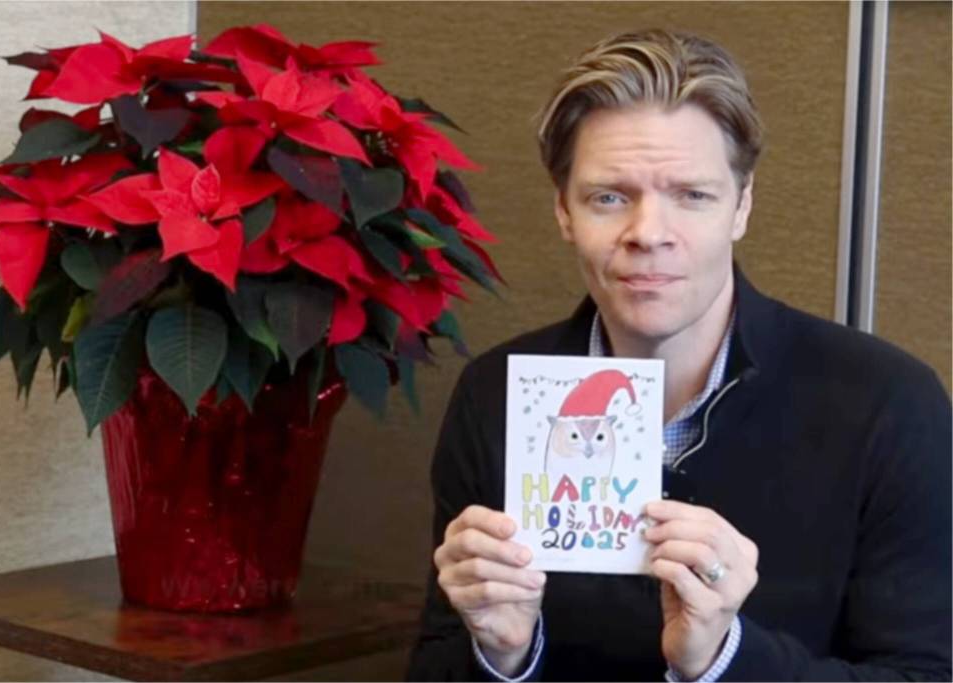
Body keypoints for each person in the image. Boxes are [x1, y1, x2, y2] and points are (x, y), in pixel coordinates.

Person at [404, 28, 952, 682]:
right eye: (609, 197)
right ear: (564, 213)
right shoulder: (495, 395)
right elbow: (433, 664)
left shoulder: (888, 405)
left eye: (692, 195)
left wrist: (724, 658)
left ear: (741, 206)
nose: (649, 233)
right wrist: (502, 654)